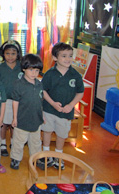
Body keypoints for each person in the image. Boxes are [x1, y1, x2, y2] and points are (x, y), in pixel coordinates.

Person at [41, 42, 84, 170]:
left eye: (70, 56)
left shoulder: (75, 75)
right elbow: (43, 91)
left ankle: (58, 155)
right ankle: (47, 154)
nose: (68, 59)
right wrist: (53, 103)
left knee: (62, 134)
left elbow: (80, 92)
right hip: (49, 109)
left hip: (66, 112)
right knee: (47, 131)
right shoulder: (49, 74)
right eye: (64, 56)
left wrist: (71, 105)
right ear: (55, 58)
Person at [10, 54, 44, 170]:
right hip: (22, 119)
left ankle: (36, 158)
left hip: (36, 119)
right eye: (31, 70)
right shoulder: (18, 84)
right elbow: (15, 102)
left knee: (36, 142)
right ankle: (15, 158)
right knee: (18, 142)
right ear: (24, 69)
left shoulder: (39, 84)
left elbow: (40, 102)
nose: (34, 73)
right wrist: (15, 118)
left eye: (36, 70)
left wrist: (42, 115)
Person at [0, 40, 23, 157]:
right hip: (4, 101)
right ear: (3, 54)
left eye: (13, 53)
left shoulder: (22, 67)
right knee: (3, 123)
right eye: (7, 53)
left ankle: (13, 142)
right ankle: (2, 143)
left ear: (18, 54)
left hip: (18, 101)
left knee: (14, 123)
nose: (10, 56)